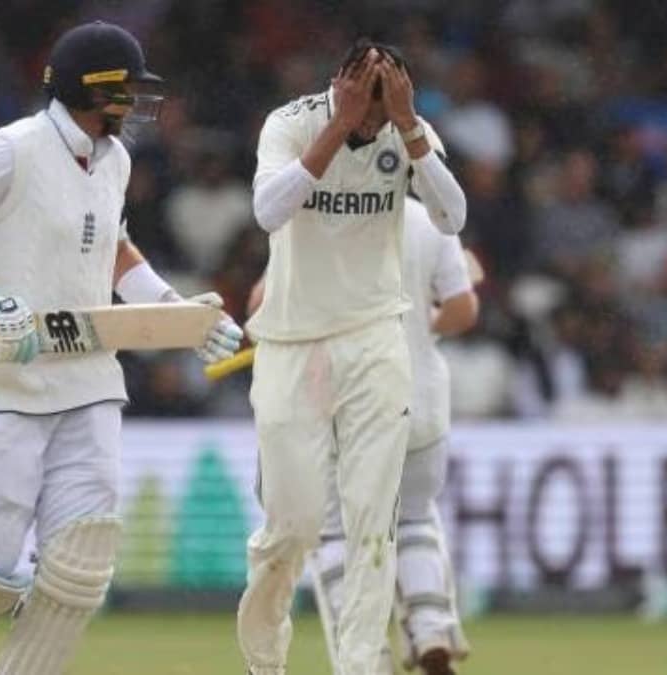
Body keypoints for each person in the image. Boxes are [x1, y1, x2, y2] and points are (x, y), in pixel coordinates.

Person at [0, 21, 242, 675]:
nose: (136, 102)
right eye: (126, 89)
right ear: (92, 88)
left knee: (81, 567)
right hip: (6, 380)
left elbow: (113, 249)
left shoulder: (115, 160)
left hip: (88, 378)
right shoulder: (12, 149)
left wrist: (177, 314)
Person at [238, 39, 466, 675]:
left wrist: (409, 126)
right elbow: (267, 212)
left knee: (372, 520)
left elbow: (451, 216)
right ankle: (264, 659)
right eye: (365, 108)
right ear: (338, 87)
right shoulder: (291, 123)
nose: (372, 125)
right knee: (292, 526)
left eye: (381, 111)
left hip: (373, 336)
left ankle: (362, 666)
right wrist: (339, 127)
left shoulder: (407, 129)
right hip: (292, 341)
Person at [248, 196, 480, 675]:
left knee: (335, 533)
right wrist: (423, 325)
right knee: (414, 518)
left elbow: (259, 307)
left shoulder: (313, 218)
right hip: (420, 399)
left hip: (341, 402)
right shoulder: (427, 219)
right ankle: (431, 627)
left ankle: (369, 658)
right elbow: (463, 308)